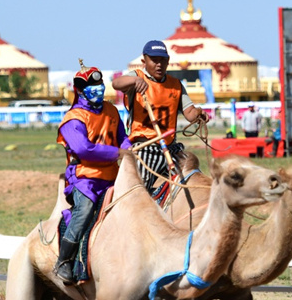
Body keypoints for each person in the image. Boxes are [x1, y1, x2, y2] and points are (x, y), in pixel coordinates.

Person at [53, 61, 131, 286]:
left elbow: (121, 137)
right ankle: (63, 260)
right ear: (80, 90)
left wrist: (127, 147)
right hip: (85, 179)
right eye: (91, 86)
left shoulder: (112, 110)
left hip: (114, 177)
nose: (98, 89)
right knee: (85, 211)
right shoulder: (73, 119)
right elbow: (83, 150)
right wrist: (118, 152)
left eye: (100, 85)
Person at [111, 40, 207, 196]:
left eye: (162, 60)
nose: (159, 64)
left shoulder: (176, 84)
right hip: (144, 147)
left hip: (170, 147)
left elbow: (189, 114)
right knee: (136, 193)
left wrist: (198, 113)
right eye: (154, 60)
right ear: (144, 61)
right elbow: (116, 83)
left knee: (192, 178)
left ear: (168, 61)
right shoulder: (137, 77)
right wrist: (135, 81)